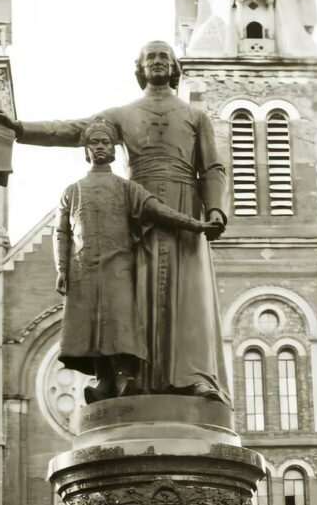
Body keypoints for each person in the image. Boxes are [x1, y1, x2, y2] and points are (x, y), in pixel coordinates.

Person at [0, 40, 230, 403]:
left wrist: (214, 209)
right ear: (140, 68)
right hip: (136, 210)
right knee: (135, 296)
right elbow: (70, 130)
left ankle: (194, 376)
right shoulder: (122, 114)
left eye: (165, 56)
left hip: (185, 205)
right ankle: (136, 379)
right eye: (151, 57)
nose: (159, 61)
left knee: (188, 295)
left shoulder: (195, 117)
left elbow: (212, 167)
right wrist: (19, 130)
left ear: (176, 67)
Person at [53, 118, 221, 403]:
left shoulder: (126, 188)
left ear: (114, 150)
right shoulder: (72, 191)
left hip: (118, 267)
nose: (100, 147)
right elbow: (62, 233)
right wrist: (61, 269)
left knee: (119, 323)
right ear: (86, 150)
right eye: (94, 143)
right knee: (89, 326)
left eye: (106, 142)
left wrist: (195, 224)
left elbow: (157, 210)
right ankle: (103, 381)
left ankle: (124, 376)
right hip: (83, 270)